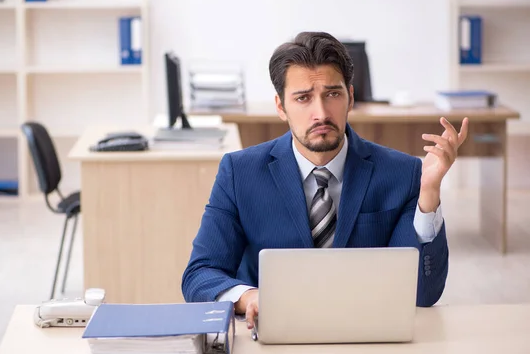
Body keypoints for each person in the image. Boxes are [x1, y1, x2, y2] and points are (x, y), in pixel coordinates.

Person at [181, 31, 469, 330]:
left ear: (351, 97)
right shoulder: (240, 173)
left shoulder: (403, 173)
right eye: (303, 98)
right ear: (281, 107)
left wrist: (429, 193)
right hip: (275, 333)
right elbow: (200, 275)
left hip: (367, 333)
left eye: (332, 94)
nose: (320, 113)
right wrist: (250, 297)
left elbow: (423, 293)